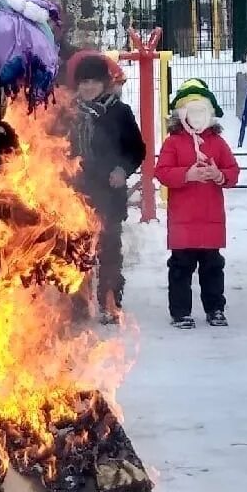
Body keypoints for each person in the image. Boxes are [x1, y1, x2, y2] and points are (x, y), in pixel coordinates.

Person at [154, 78, 240, 328]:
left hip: (211, 220)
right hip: (183, 222)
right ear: (181, 115)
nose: (197, 117)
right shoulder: (173, 142)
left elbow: (233, 171)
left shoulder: (217, 143)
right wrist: (186, 175)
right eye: (192, 112)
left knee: (213, 267)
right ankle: (180, 312)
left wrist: (219, 175)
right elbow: (162, 171)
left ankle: (215, 308)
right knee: (180, 267)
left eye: (202, 111)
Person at [69, 52, 146, 325]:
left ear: (104, 83)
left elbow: (137, 149)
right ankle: (77, 305)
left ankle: (109, 301)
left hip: (109, 194)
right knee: (77, 252)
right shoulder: (69, 113)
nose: (88, 87)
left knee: (109, 250)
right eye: (83, 82)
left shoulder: (119, 112)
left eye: (94, 81)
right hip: (75, 195)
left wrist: (122, 169)